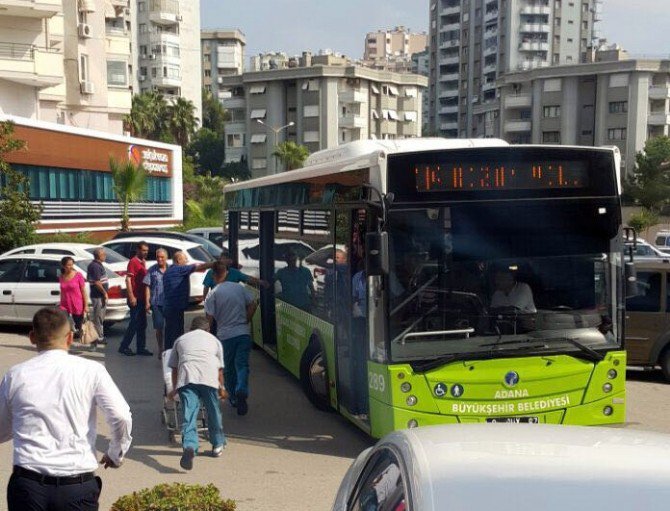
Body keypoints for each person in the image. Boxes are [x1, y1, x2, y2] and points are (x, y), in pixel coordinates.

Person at [0, 307, 132, 511]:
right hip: (76, 487)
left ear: (32, 337)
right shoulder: (92, 371)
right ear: (70, 337)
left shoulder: (15, 375)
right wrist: (116, 454)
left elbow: (2, 428)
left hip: (28, 485)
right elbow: (121, 416)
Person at [167, 316, 227, 471]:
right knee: (213, 412)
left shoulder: (181, 340)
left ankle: (190, 447)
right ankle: (217, 444)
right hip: (209, 378)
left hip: (187, 378)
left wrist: (174, 388)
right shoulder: (214, 341)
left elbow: (174, 368)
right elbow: (219, 370)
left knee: (189, 414)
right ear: (207, 329)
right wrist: (222, 388)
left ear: (190, 328)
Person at [204, 261, 258, 416]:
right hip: (243, 333)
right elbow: (253, 303)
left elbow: (209, 318)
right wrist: (246, 319)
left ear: (214, 275)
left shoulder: (213, 294)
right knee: (242, 365)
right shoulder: (239, 288)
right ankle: (242, 388)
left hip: (225, 336)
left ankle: (233, 397)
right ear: (226, 273)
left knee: (228, 367)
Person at [163, 252, 214, 351]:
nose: (186, 261)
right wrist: (216, 264)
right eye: (185, 259)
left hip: (169, 306)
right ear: (178, 260)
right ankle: (176, 355)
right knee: (176, 333)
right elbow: (200, 266)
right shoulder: (179, 269)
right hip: (175, 307)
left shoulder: (169, 270)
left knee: (169, 332)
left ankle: (168, 355)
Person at [119, 242, 152, 356]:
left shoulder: (143, 262)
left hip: (142, 297)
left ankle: (141, 348)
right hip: (135, 298)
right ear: (138, 250)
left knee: (142, 324)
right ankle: (124, 346)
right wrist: (131, 296)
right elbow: (128, 280)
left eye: (147, 250)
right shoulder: (133, 262)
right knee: (134, 323)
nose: (145, 252)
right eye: (143, 250)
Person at [144, 248, 168, 357]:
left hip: (169, 303)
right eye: (158, 257)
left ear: (166, 258)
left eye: (162, 257)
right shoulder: (152, 270)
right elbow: (147, 286)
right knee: (159, 327)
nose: (159, 259)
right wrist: (147, 302)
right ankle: (160, 349)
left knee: (169, 327)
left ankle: (169, 349)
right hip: (156, 303)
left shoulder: (171, 269)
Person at [59, 256, 88, 338]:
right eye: (68, 265)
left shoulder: (78, 275)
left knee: (80, 326)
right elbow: (62, 291)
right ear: (63, 266)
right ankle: (65, 341)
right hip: (65, 304)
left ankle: (89, 339)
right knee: (63, 324)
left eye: (72, 264)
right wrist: (61, 303)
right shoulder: (61, 276)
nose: (71, 267)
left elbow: (83, 291)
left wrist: (86, 306)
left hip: (77, 304)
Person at [86, 247, 108, 346]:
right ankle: (98, 337)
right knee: (98, 317)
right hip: (98, 295)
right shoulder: (95, 266)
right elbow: (97, 282)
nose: (105, 256)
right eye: (104, 254)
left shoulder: (98, 265)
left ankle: (99, 336)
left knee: (100, 317)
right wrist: (104, 293)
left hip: (100, 296)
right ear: (99, 255)